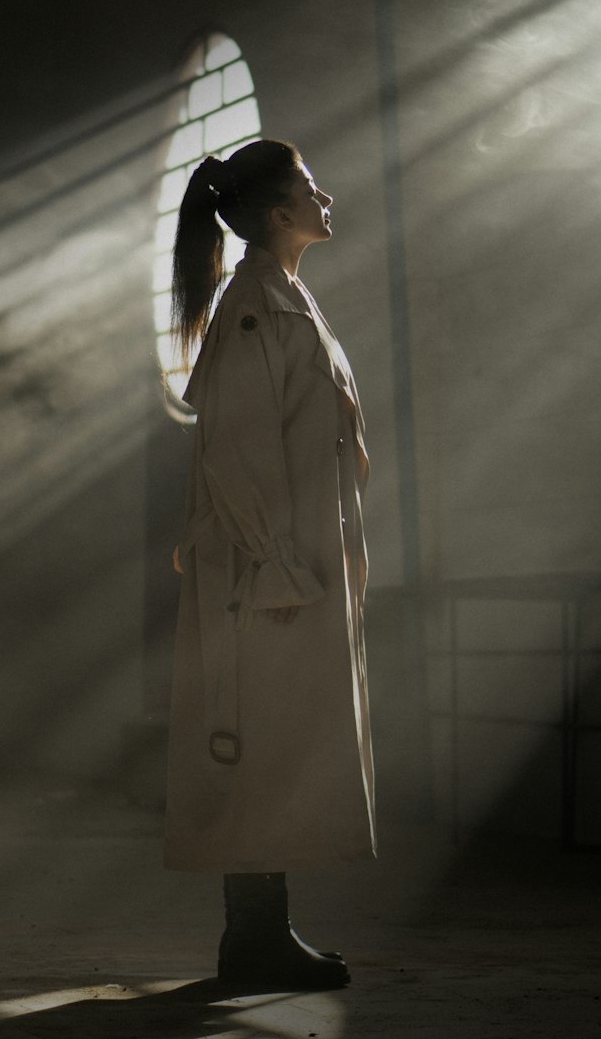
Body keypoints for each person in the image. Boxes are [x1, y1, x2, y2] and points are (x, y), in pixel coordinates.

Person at [163, 139, 375, 993]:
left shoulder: (287, 298)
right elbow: (239, 452)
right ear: (282, 212)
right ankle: (253, 937)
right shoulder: (255, 304)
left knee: (280, 745)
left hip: (287, 562)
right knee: (255, 745)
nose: (326, 196)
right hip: (265, 572)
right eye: (310, 187)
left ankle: (264, 932)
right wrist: (276, 561)